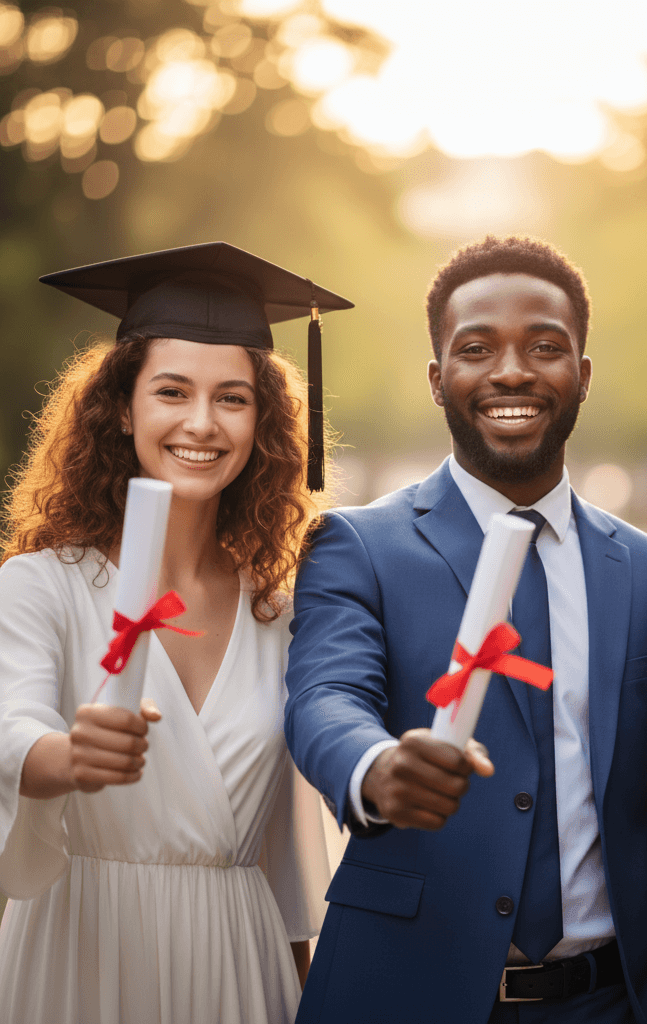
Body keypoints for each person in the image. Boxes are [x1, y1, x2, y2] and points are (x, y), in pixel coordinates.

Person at [285, 235, 647, 1023]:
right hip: (405, 995)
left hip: (607, 1005)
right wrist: (376, 766)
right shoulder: (359, 547)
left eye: (545, 348)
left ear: (582, 375)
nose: (512, 371)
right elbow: (325, 697)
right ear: (437, 379)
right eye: (477, 349)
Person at [0, 243, 351, 1024]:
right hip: (81, 955)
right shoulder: (41, 589)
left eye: (232, 398)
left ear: (262, 423)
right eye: (171, 391)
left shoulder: (282, 615)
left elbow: (287, 853)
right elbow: (9, 728)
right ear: (123, 409)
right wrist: (68, 755)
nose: (201, 422)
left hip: (239, 964)